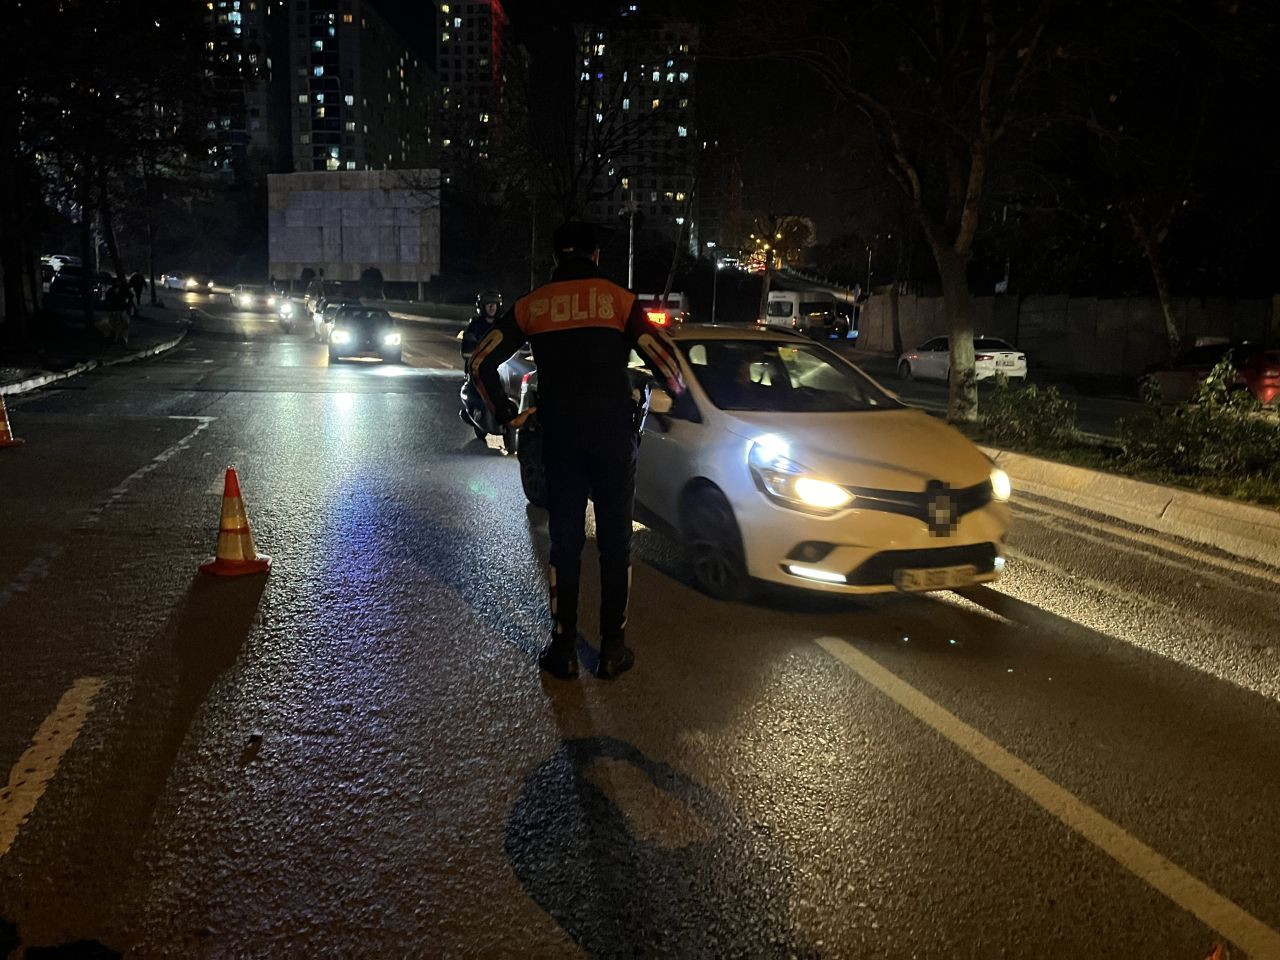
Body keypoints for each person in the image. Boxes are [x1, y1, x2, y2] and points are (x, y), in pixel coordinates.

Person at [471, 221, 684, 680]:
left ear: (554, 258)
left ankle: (563, 648)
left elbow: (480, 361)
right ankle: (612, 647)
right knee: (614, 543)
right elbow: (667, 362)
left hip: (560, 437)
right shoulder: (619, 301)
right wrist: (675, 394)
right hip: (612, 438)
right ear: (597, 256)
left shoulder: (533, 304)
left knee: (564, 543)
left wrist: (507, 414)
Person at [461, 289, 503, 364]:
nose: (491, 307)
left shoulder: (502, 324)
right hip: (478, 366)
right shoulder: (475, 325)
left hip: (499, 365)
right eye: (488, 304)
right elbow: (467, 351)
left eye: (494, 304)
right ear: (482, 307)